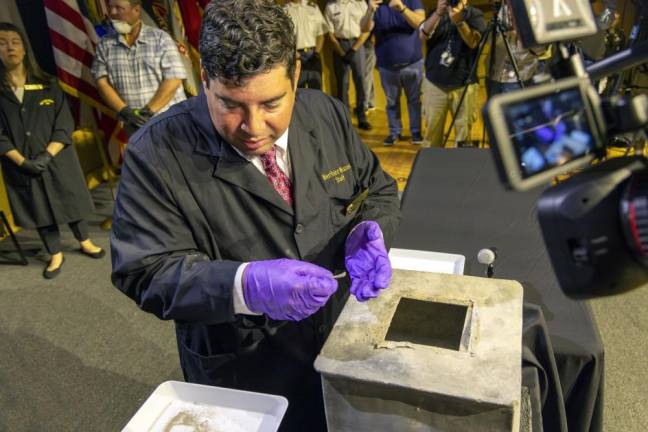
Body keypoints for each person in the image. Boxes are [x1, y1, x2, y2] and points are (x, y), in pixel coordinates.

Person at [110, 0, 401, 430]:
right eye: (231, 105)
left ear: (296, 75)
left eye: (271, 104)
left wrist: (371, 231)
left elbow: (378, 189)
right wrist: (242, 285)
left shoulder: (327, 113)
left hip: (340, 346)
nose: (254, 127)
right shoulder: (154, 153)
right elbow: (144, 271)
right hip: (245, 371)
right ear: (204, 79)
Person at [0, 22, 104, 279]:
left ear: (24, 49)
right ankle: (54, 252)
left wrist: (48, 154)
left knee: (68, 196)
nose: (10, 47)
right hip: (19, 162)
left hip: (56, 158)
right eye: (2, 42)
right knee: (38, 206)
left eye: (15, 41)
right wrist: (22, 161)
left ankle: (84, 240)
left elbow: (64, 123)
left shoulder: (48, 84)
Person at [91, 0, 187, 137]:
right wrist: (125, 112)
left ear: (136, 10)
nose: (112, 13)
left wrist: (147, 113)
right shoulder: (105, 46)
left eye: (119, 8)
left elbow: (174, 80)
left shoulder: (160, 39)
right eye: (110, 7)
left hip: (172, 126)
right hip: (135, 130)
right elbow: (101, 82)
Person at [419, 0, 486, 148]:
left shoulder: (475, 15)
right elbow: (422, 35)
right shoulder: (436, 13)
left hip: (464, 85)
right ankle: (432, 166)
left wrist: (460, 23)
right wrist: (438, 13)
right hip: (434, 84)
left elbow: (473, 43)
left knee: (463, 137)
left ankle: (460, 168)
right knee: (431, 135)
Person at [360, 0, 425, 146]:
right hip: (387, 66)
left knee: (414, 101)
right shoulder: (376, 4)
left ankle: (416, 133)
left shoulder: (412, 1)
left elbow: (421, 23)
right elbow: (364, 28)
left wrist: (402, 8)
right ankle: (394, 132)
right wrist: (370, 11)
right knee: (391, 102)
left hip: (413, 63)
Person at [324, 0, 373, 130]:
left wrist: (353, 50)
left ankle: (362, 116)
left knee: (361, 81)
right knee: (342, 84)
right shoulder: (331, 6)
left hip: (358, 44)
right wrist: (341, 52)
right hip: (339, 46)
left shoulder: (361, 3)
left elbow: (367, 30)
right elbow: (330, 33)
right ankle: (345, 119)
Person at [283, 0, 329, 90]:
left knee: (316, 90)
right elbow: (283, 38)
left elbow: (320, 34)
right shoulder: (284, 11)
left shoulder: (313, 8)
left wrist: (317, 53)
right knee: (298, 91)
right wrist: (293, 53)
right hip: (295, 56)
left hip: (313, 55)